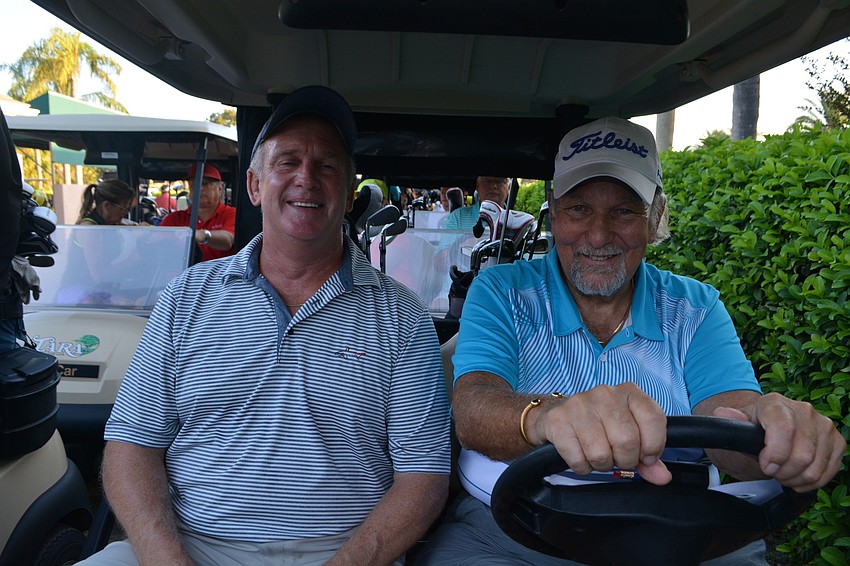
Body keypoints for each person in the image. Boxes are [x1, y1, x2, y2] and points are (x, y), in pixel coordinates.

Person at [417, 116, 846, 565]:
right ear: (554, 212)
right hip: (516, 527)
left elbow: (730, 413)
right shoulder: (503, 290)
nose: (599, 235)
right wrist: (548, 417)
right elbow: (474, 407)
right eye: (578, 208)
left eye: (624, 211)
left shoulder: (695, 307)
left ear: (655, 216)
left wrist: (776, 433)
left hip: (677, 529)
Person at [80, 85, 450, 566]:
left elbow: (424, 476)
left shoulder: (401, 315)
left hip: (343, 552)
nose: (306, 179)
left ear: (349, 194)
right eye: (287, 161)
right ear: (254, 186)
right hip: (189, 544)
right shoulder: (185, 297)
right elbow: (132, 443)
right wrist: (165, 558)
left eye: (327, 166)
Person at [159, 162, 236, 261]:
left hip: (222, 271)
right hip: (183, 270)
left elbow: (228, 240)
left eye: (205, 184)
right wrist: (146, 234)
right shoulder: (174, 219)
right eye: (194, 185)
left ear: (220, 189)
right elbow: (158, 243)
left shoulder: (231, 214)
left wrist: (202, 235)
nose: (199, 188)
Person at [444, 176, 510, 231]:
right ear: (477, 186)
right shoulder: (457, 218)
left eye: (499, 181)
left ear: (508, 188)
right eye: (488, 181)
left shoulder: (514, 220)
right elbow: (446, 243)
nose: (494, 186)